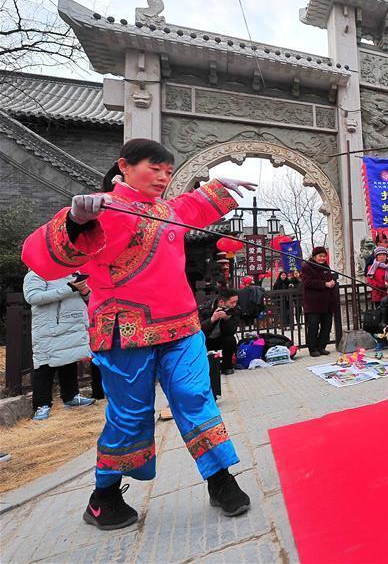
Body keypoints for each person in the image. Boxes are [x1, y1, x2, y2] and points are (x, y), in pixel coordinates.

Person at [22, 138, 253, 529]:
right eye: (155, 168)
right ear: (124, 166)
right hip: (123, 331)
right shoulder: (99, 208)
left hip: (181, 325)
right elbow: (39, 256)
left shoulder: (166, 209)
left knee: (195, 397)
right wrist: (76, 222)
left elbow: (190, 205)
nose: (164, 177)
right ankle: (104, 496)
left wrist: (219, 187)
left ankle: (220, 480)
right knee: (129, 416)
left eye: (168, 171)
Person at [24, 270, 96, 421]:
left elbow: (87, 298)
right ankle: (41, 404)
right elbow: (33, 297)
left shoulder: (71, 273)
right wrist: (69, 288)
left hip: (71, 324)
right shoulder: (36, 274)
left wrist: (84, 291)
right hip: (49, 327)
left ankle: (71, 396)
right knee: (45, 364)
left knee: (69, 359)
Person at [200, 290, 240, 398]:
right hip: (207, 339)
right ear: (222, 302)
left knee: (230, 340)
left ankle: (227, 366)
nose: (234, 305)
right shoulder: (205, 309)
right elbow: (199, 330)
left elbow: (232, 331)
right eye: (232, 302)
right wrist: (212, 320)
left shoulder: (234, 310)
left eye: (236, 302)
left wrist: (226, 318)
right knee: (199, 343)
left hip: (221, 338)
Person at [302, 247, 338, 357]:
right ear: (314, 257)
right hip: (313, 302)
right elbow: (307, 282)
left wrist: (332, 282)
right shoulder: (307, 266)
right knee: (313, 326)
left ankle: (322, 347)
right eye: (320, 256)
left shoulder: (326, 266)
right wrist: (324, 284)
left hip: (327, 302)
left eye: (324, 256)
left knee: (326, 325)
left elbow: (329, 278)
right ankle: (313, 348)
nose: (322, 258)